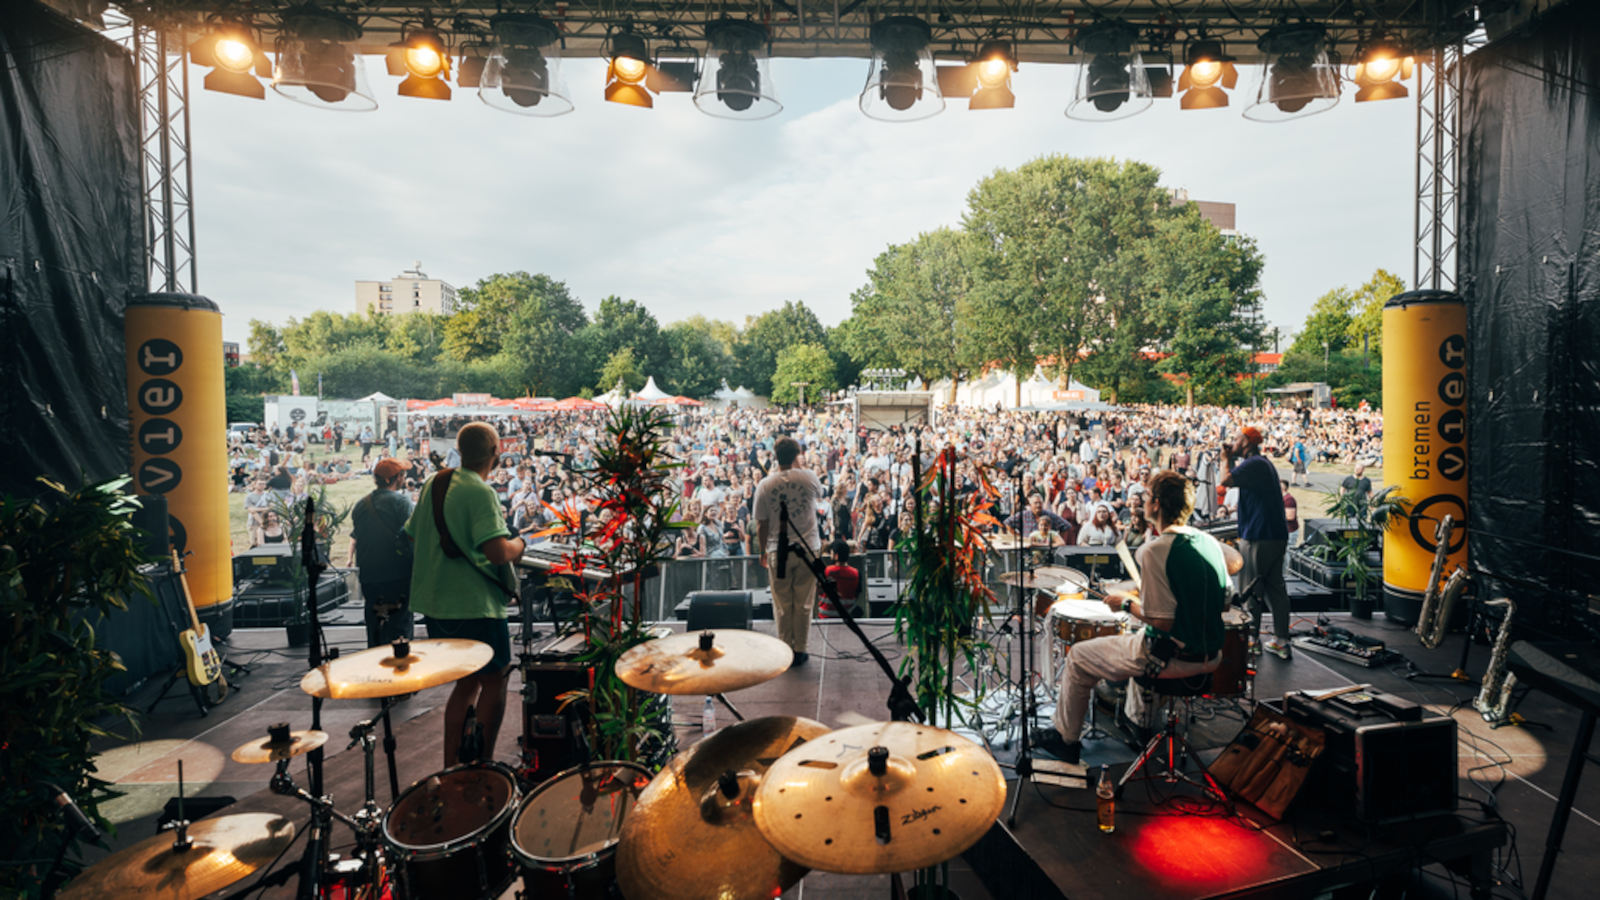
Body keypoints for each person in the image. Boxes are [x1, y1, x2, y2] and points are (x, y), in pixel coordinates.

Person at [1033, 470, 1230, 764]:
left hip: (1170, 656)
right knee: (1133, 638)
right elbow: (1224, 602)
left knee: (1079, 659)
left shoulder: (1155, 551)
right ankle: (1137, 721)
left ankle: (1066, 739)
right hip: (1212, 654)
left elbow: (1160, 620)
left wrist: (1125, 603)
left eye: (1148, 496)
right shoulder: (1211, 543)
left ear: (1158, 504)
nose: (1142, 502)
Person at [407, 422, 526, 767]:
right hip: (474, 605)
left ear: (459, 451)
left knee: (465, 681)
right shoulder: (480, 491)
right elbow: (497, 552)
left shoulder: (436, 481)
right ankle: (484, 763)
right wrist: (520, 543)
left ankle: (451, 766)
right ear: (496, 451)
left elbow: (415, 535)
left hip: (434, 601)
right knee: (494, 679)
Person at [754, 436, 826, 663]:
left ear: (775, 456)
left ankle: (786, 649)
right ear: (797, 455)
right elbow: (820, 495)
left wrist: (763, 551)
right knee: (804, 602)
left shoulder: (765, 485)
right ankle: (801, 649)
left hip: (778, 550)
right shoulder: (809, 477)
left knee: (783, 603)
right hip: (807, 549)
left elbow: (761, 524)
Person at [1222, 426, 1292, 660]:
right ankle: (1282, 641)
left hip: (1258, 535)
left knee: (1249, 589)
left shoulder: (1254, 464)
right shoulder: (1262, 464)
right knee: (1275, 588)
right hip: (1275, 534)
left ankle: (1251, 641)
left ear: (1247, 442)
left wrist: (1226, 458)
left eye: (1236, 438)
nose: (1232, 441)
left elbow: (1225, 481)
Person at [347, 458, 416, 648]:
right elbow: (412, 536)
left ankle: (376, 670)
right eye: (402, 474)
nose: (404, 477)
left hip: (370, 577)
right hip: (397, 576)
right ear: (396, 478)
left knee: (376, 627)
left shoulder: (361, 505)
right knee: (399, 629)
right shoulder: (401, 502)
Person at [821, 539, 862, 618]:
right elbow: (857, 594)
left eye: (831, 553)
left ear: (836, 556)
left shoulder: (827, 571)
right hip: (847, 616)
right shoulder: (856, 573)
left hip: (825, 616)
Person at [1281, 479, 1300, 547]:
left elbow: (1290, 517)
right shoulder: (1282, 498)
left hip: (1290, 532)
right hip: (1284, 532)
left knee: (1288, 554)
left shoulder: (1289, 500)